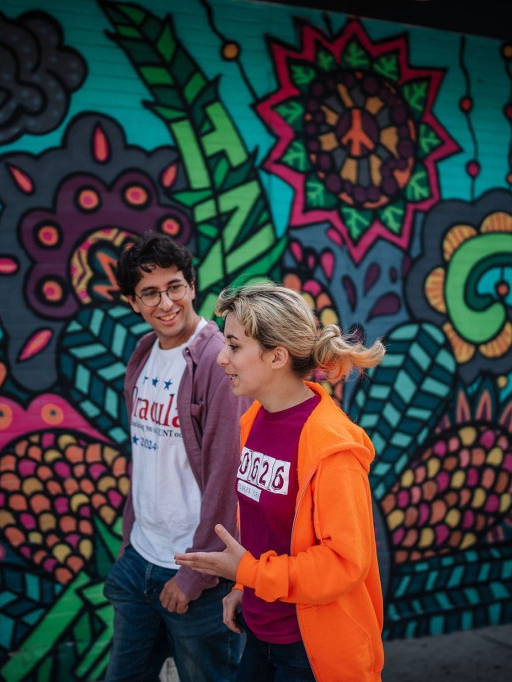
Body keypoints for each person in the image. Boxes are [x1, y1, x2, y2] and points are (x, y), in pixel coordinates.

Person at [175, 282, 387, 682]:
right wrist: (244, 586)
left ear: (277, 356)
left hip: (311, 652)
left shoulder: (332, 446)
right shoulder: (254, 419)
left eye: (234, 346)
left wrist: (250, 572)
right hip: (260, 633)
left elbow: (344, 563)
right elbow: (267, 533)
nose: (222, 358)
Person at [106, 232, 248, 681]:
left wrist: (194, 576)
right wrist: (131, 543)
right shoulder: (144, 353)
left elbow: (228, 473)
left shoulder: (215, 360)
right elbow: (146, 457)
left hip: (197, 572)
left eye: (175, 287)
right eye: (150, 293)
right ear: (133, 302)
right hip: (140, 561)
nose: (165, 303)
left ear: (191, 286)